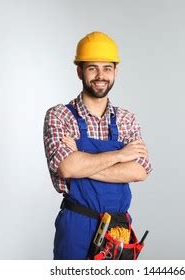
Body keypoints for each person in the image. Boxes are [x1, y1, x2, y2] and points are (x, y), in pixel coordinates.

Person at [43, 31, 152, 260]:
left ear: (115, 72)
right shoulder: (59, 116)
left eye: (107, 68)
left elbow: (139, 170)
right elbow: (67, 168)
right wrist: (121, 154)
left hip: (117, 228)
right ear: (79, 71)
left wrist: (82, 161)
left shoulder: (126, 119)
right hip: (77, 225)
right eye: (92, 67)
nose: (100, 75)